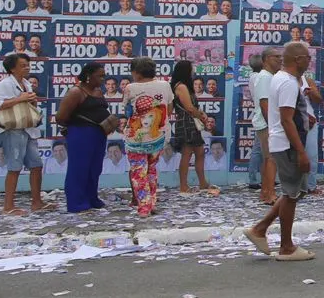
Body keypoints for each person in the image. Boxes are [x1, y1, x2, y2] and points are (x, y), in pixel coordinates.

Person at [244, 41, 315, 258]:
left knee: (292, 193)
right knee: (291, 195)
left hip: (285, 143)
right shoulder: (287, 83)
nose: (309, 61)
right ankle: (286, 246)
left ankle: (260, 229)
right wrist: (301, 151)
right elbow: (286, 120)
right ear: (297, 59)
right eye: (306, 57)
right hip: (287, 145)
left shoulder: (284, 79)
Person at [0, 52, 51, 216]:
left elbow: (27, 103)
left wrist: (31, 100)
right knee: (14, 167)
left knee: (36, 165)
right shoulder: (5, 84)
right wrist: (20, 98)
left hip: (27, 128)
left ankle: (37, 202)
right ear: (12, 68)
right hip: (12, 129)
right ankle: (8, 206)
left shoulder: (25, 83)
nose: (27, 68)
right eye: (23, 65)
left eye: (28, 65)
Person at [56, 62, 114, 213]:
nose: (103, 79)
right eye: (100, 76)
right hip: (81, 134)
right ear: (89, 76)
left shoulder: (98, 91)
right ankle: (76, 203)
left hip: (99, 134)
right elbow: (61, 117)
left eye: (104, 75)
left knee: (94, 168)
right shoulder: (76, 92)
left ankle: (91, 198)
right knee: (79, 168)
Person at [120, 57, 174, 218]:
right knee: (152, 170)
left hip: (136, 138)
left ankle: (144, 207)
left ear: (136, 73)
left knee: (138, 172)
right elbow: (169, 108)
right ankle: (152, 203)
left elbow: (127, 110)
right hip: (159, 135)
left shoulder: (130, 87)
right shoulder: (165, 85)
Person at [170, 60, 218, 195]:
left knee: (200, 152)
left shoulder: (186, 86)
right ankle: (183, 186)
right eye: (191, 69)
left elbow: (193, 107)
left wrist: (200, 113)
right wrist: (201, 116)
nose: (193, 72)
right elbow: (189, 108)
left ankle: (203, 183)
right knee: (187, 153)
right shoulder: (181, 87)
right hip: (186, 123)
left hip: (191, 122)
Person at [246, 51, 279, 200]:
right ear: (266, 60)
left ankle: (265, 192)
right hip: (267, 123)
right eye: (276, 57)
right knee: (271, 158)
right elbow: (265, 103)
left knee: (268, 158)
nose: (280, 59)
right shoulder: (265, 77)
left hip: (266, 123)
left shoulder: (267, 76)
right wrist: (273, 126)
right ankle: (269, 193)